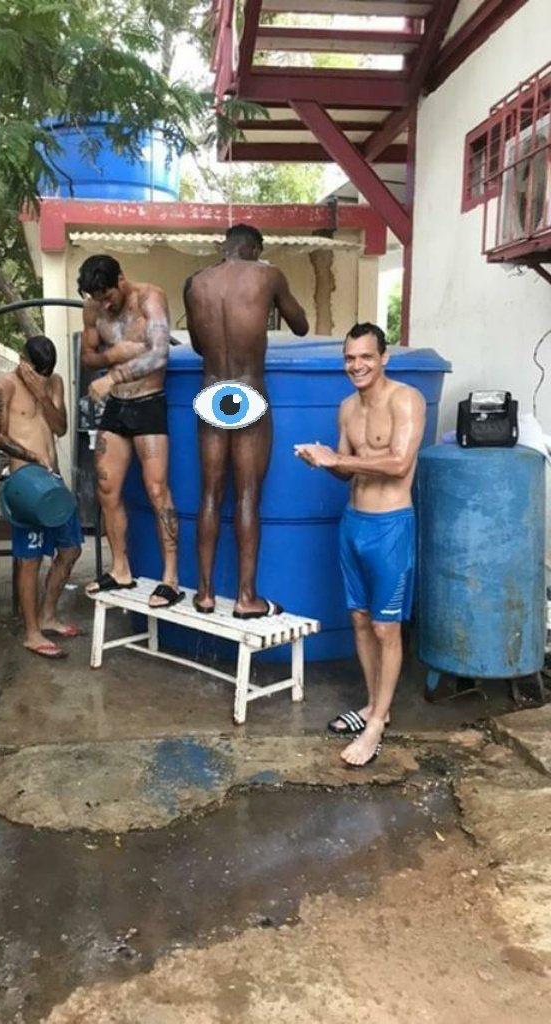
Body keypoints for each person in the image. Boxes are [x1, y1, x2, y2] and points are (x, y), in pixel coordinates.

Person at [295, 323, 425, 767]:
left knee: (387, 628)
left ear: (383, 358)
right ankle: (373, 707)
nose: (357, 365)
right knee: (360, 620)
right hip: (353, 522)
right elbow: (346, 470)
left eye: (366, 356)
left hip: (391, 527)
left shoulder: (406, 399)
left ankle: (375, 727)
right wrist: (321, 460)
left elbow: (399, 462)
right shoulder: (347, 408)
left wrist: (338, 458)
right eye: (350, 358)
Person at [183, 223, 309, 618]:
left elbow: (199, 345)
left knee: (209, 493)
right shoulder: (268, 275)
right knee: (247, 494)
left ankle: (204, 594)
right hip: (248, 389)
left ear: (225, 247)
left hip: (212, 390)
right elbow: (301, 325)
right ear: (254, 248)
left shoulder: (195, 283)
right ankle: (246, 597)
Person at [79, 254, 183, 609]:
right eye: (98, 299)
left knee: (157, 490)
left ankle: (171, 579)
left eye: (108, 295)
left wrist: (114, 375)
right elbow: (88, 357)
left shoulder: (149, 298)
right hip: (117, 405)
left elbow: (159, 356)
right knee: (107, 489)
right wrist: (116, 354)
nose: (105, 305)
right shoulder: (93, 309)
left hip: (149, 402)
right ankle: (120, 569)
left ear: (121, 279)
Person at [0, 335, 83, 660]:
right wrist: (30, 456)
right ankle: (31, 633)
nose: (41, 377)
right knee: (30, 560)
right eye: (35, 371)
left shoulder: (53, 383)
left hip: (53, 482)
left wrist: (43, 394)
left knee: (70, 549)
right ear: (22, 359)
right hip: (27, 483)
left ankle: (48, 615)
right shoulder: (3, 386)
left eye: (46, 372)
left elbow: (61, 428)